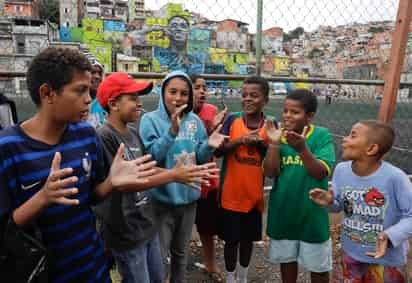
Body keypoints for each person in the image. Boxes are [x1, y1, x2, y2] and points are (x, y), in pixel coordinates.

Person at [0, 47, 159, 283]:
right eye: (80, 90)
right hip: (44, 273)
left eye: (90, 90)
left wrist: (110, 183)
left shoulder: (85, 134)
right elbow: (4, 229)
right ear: (48, 93)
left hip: (92, 267)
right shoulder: (9, 147)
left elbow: (91, 197)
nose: (89, 99)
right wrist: (42, 198)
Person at [96, 72, 218, 283]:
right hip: (132, 225)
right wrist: (173, 173)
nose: (139, 103)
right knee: (143, 272)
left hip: (146, 221)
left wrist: (201, 154)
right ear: (114, 103)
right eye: (133, 98)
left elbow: (147, 168)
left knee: (162, 270)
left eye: (184, 93)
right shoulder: (107, 135)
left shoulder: (132, 132)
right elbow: (129, 180)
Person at [139, 70, 227, 283]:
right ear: (162, 93)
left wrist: (209, 145)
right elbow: (150, 157)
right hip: (160, 201)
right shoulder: (149, 121)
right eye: (173, 92)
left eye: (184, 93)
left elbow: (200, 157)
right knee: (159, 258)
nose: (178, 98)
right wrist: (171, 132)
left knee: (180, 254)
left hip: (188, 201)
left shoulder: (195, 121)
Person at [309, 120, 412, 283]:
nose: (345, 139)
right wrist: (330, 201)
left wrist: (389, 236)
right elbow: (341, 206)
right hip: (350, 254)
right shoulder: (341, 170)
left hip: (387, 262)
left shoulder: (395, 178)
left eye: (352, 135)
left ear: (371, 149)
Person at [263, 88, 335, 283]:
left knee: (318, 268)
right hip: (283, 213)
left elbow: (320, 172)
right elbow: (270, 172)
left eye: (294, 112)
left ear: (309, 116)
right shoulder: (279, 136)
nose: (287, 116)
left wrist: (302, 149)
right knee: (287, 262)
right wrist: (274, 144)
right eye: (285, 111)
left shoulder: (321, 136)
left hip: (311, 215)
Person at [217, 76, 272, 283]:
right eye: (244, 95)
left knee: (248, 240)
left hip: (253, 197)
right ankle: (230, 277)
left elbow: (274, 160)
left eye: (254, 96)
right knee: (230, 241)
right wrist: (240, 140)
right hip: (231, 195)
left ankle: (243, 276)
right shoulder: (232, 121)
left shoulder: (270, 125)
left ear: (265, 100)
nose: (247, 99)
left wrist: (261, 145)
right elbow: (219, 151)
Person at [190, 74, 227, 282]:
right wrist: (209, 128)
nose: (202, 91)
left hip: (207, 179)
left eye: (204, 87)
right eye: (197, 87)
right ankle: (172, 268)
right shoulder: (178, 114)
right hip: (183, 180)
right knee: (176, 227)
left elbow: (218, 149)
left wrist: (215, 129)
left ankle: (211, 264)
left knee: (207, 227)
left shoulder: (211, 111)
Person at [85, 55, 106, 129]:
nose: (97, 77)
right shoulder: (73, 102)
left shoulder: (104, 102)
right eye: (93, 72)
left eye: (100, 73)